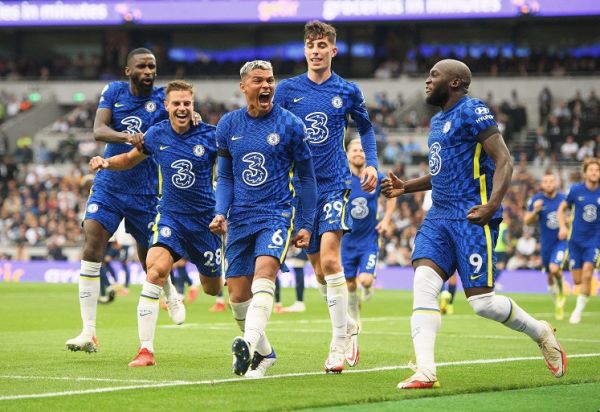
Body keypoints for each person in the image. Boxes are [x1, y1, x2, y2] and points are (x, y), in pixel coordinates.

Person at [382, 59, 567, 389]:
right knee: (423, 282)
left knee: (483, 303)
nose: (427, 80)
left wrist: (493, 204)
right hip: (439, 216)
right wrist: (406, 186)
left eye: (434, 75)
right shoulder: (438, 121)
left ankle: (540, 332)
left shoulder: (472, 110)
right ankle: (426, 370)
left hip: (470, 216)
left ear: (454, 83)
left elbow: (504, 159)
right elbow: (442, 172)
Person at [89, 80, 222, 366]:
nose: (182, 108)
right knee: (154, 271)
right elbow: (128, 159)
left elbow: (227, 176)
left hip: (205, 223)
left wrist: (226, 212)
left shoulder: (211, 136)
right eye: (176, 103)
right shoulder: (157, 133)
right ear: (167, 106)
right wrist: (106, 163)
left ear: (193, 105)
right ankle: (146, 350)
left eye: (187, 103)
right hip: (170, 217)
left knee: (214, 287)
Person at [273, 20, 378, 372]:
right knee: (319, 270)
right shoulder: (287, 90)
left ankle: (337, 345)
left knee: (332, 261)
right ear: (305, 50)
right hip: (300, 190)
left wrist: (373, 164)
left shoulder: (346, 90)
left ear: (333, 50)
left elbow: (366, 128)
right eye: (310, 45)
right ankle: (347, 324)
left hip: (335, 184)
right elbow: (268, 123)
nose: (316, 51)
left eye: (322, 46)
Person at [66, 48, 185, 353]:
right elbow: (99, 130)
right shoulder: (114, 92)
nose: (149, 71)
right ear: (128, 71)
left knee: (151, 260)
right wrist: (128, 138)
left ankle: (170, 291)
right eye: (142, 67)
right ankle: (88, 331)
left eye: (153, 67)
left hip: (144, 191)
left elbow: (180, 120)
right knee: (91, 240)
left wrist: (189, 116)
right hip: (108, 185)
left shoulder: (161, 98)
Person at [209, 60, 317, 378]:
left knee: (264, 275)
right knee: (238, 296)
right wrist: (219, 211)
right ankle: (265, 354)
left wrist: (306, 224)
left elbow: (307, 180)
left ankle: (246, 342)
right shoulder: (228, 126)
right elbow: (225, 178)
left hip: (276, 214)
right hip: (240, 218)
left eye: (270, 80)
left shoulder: (290, 125)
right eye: (259, 81)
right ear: (244, 86)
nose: (267, 86)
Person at [342, 138, 395, 323]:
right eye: (354, 150)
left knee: (364, 280)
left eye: (361, 150)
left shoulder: (376, 177)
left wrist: (387, 220)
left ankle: (367, 286)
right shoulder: (341, 177)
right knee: (349, 283)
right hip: (345, 240)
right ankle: (354, 314)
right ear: (347, 155)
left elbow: (392, 195)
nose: (358, 153)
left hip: (368, 239)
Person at [558, 157, 600, 324]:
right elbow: (562, 209)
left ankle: (577, 311)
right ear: (585, 173)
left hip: (594, 240)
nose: (595, 173)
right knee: (577, 279)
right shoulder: (576, 190)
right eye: (591, 170)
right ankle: (582, 291)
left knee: (588, 274)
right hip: (575, 240)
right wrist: (562, 227)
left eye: (597, 170)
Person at [523, 172, 567, 319]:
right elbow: (527, 221)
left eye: (551, 181)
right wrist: (535, 210)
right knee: (550, 276)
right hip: (546, 244)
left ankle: (561, 293)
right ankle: (558, 304)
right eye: (546, 181)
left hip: (561, 241)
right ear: (542, 184)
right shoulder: (536, 200)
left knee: (555, 269)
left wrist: (565, 225)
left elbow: (575, 215)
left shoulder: (564, 199)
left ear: (556, 183)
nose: (548, 184)